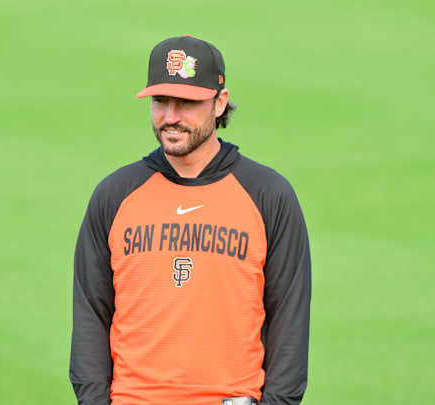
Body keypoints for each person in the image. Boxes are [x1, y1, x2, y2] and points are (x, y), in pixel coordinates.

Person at [70, 35, 311, 405]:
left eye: (186, 103)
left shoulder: (269, 196)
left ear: (220, 103)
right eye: (160, 102)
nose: (170, 117)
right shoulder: (114, 195)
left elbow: (289, 322)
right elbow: (90, 313)